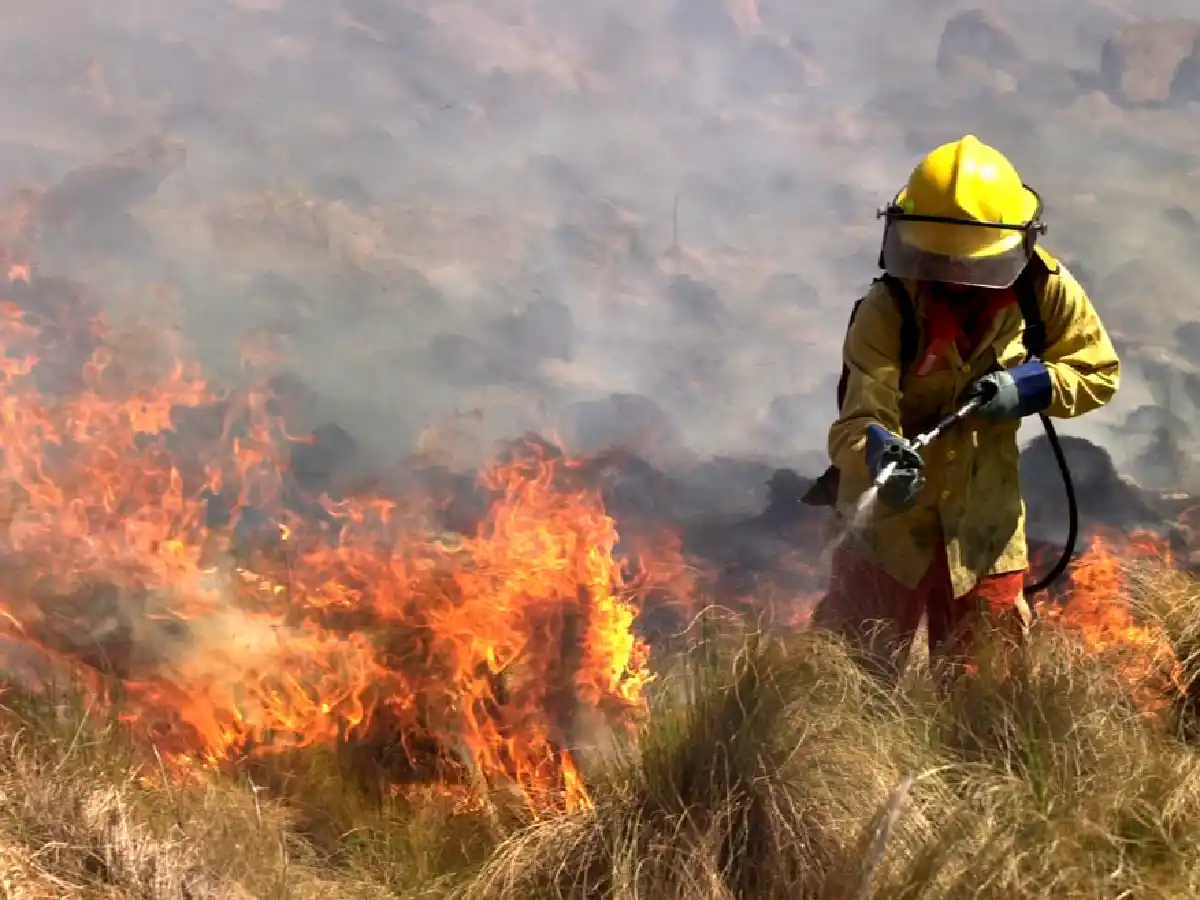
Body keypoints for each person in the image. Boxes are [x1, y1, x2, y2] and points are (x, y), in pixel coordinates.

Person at [807, 134, 1121, 682]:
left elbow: (1096, 372)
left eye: (967, 265)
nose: (953, 279)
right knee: (850, 688)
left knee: (986, 697)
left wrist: (1034, 386)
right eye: (937, 260)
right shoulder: (889, 308)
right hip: (886, 537)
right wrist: (878, 453)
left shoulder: (1043, 290)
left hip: (984, 535)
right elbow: (856, 423)